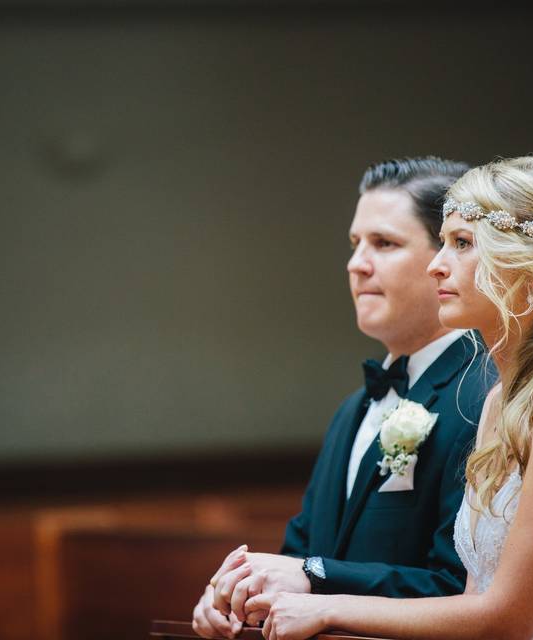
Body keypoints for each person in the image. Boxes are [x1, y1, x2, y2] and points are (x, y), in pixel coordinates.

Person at [241, 156, 533, 639]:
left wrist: (329, 609)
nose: (436, 265)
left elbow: (509, 619)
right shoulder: (501, 401)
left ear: (532, 268)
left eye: (461, 244)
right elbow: (473, 601)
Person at [193, 157, 497, 639]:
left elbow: (461, 590)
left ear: (447, 257)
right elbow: (300, 555)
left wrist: (316, 579)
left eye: (385, 243)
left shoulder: (484, 399)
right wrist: (235, 594)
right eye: (356, 244)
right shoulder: (352, 410)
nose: (357, 264)